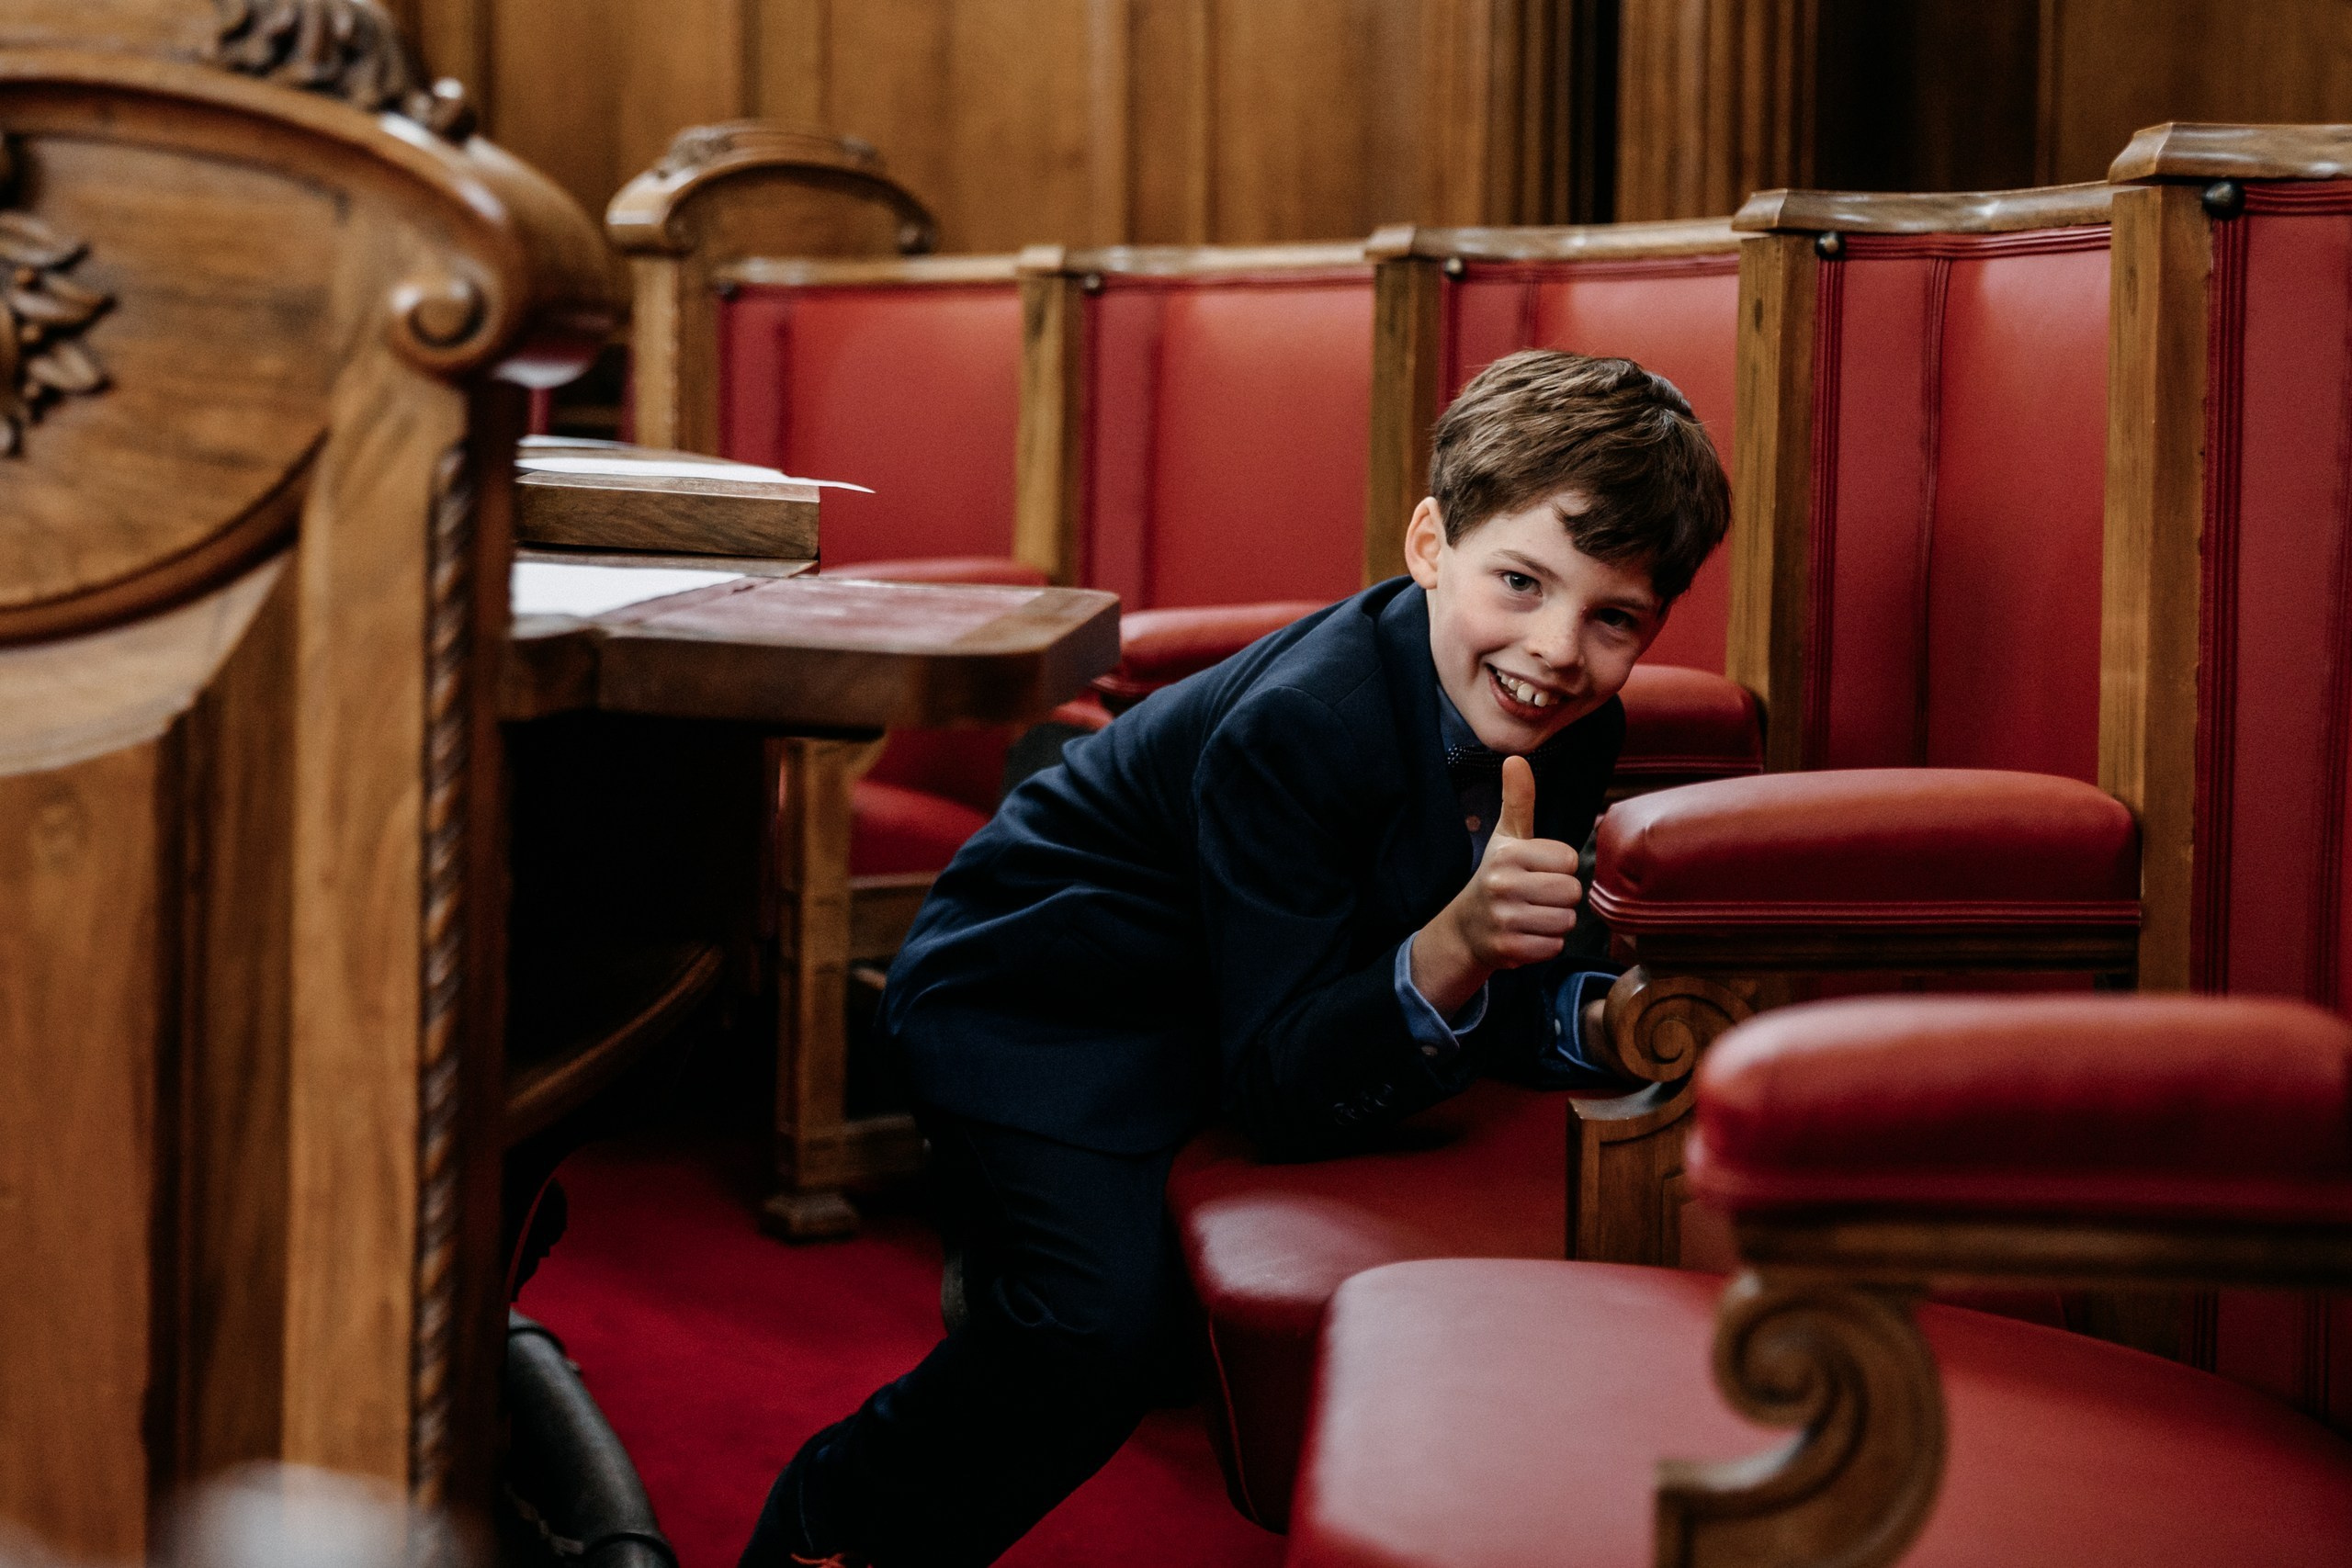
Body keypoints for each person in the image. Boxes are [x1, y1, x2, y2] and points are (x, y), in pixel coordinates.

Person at [741, 349, 1732, 1568]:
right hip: (1038, 1003)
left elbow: (1517, 964)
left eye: (1613, 618)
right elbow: (1283, 1082)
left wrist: (1613, 1015)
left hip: (1235, 987)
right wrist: (1453, 946)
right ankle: (822, 1531)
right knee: (1087, 1336)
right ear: (1431, 545)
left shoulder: (1574, 719)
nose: (1558, 650)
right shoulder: (1303, 724)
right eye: (1520, 583)